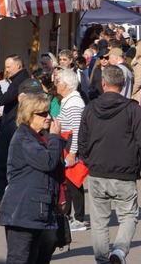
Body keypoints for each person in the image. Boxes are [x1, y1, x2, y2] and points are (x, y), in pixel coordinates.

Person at [78, 65, 141, 264]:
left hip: (98, 171)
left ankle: (103, 259)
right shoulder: (132, 109)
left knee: (99, 222)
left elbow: (82, 141)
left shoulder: (90, 108)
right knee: (128, 215)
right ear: (122, 85)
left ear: (103, 83)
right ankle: (120, 251)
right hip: (124, 172)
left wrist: (89, 160)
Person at [0, 93, 65, 264]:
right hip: (22, 211)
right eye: (42, 114)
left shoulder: (39, 136)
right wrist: (56, 137)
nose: (48, 117)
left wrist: (58, 199)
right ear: (29, 115)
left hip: (35, 210)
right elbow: (48, 162)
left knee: (34, 257)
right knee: (19, 258)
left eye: (48, 112)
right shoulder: (24, 138)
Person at [0, 75, 41, 210]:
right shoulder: (10, 128)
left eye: (40, 97)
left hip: (42, 197)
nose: (38, 101)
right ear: (21, 99)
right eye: (33, 98)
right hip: (18, 197)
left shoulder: (47, 125)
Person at [55, 68, 88, 232]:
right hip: (67, 145)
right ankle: (67, 215)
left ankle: (79, 219)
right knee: (68, 183)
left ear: (66, 84)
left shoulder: (74, 103)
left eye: (58, 81)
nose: (56, 84)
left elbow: (77, 130)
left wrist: (73, 152)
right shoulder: (69, 100)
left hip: (71, 146)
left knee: (74, 183)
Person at [0, 54, 31, 125]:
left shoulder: (19, 81)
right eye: (6, 67)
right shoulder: (21, 78)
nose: (6, 70)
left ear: (18, 66)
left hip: (14, 122)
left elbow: (2, 100)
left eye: (8, 67)